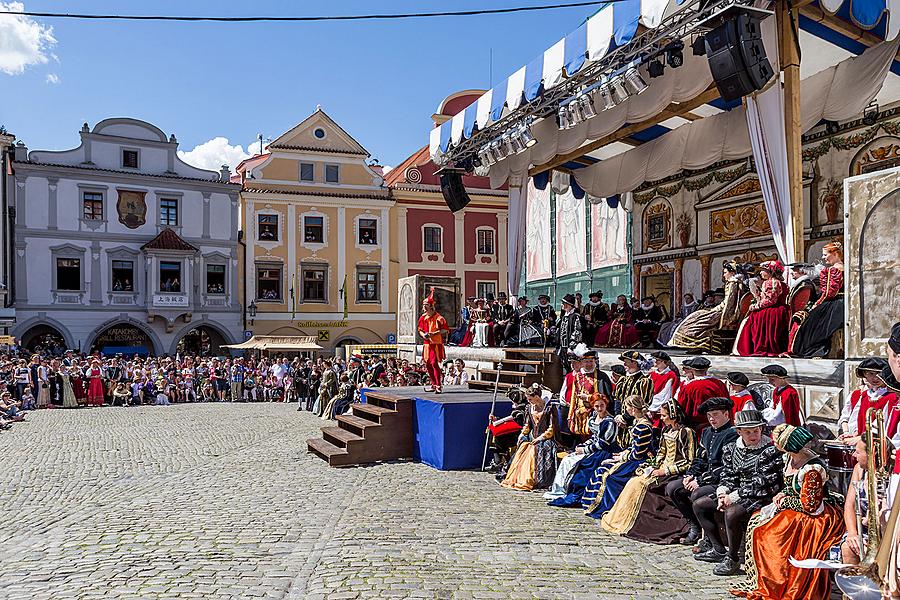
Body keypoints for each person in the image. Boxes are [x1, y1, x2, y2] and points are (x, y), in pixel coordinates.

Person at [732, 425, 844, 599]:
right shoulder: (790, 459)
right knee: (758, 521)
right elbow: (792, 487)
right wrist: (784, 493)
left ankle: (780, 582)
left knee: (770, 535)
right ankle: (767, 579)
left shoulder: (812, 469)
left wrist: (785, 501)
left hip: (814, 517)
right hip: (796, 509)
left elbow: (811, 505)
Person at [694, 408, 783, 576]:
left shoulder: (769, 450)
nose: (753, 435)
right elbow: (728, 474)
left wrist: (733, 497)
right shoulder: (731, 448)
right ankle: (718, 549)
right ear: (739, 431)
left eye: (756, 430)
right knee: (700, 505)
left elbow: (763, 482)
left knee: (732, 513)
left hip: (761, 495)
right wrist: (722, 494)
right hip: (736, 493)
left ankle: (733, 558)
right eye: (747, 432)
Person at [601, 398, 697, 544]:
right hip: (661, 469)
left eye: (664, 416)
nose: (662, 419)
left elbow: (689, 460)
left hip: (675, 473)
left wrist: (664, 471)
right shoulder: (667, 430)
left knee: (641, 485)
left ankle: (642, 525)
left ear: (673, 415)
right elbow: (661, 453)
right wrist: (653, 466)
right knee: (634, 481)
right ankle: (624, 519)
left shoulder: (686, 432)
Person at [667, 396, 739, 547]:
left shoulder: (732, 434)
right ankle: (694, 525)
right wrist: (690, 475)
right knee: (673, 488)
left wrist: (699, 481)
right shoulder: (707, 432)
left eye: (716, 415)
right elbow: (700, 458)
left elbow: (726, 467)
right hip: (704, 476)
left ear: (726, 415)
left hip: (721, 480)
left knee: (697, 494)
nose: (712, 419)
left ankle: (709, 538)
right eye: (709, 416)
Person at [583, 394, 654, 518]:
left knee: (608, 475)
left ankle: (611, 507)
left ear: (633, 409)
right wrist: (622, 454)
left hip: (639, 461)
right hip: (632, 457)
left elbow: (637, 454)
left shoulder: (643, 426)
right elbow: (633, 448)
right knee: (601, 468)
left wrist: (620, 458)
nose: (625, 410)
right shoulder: (637, 422)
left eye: (627, 407)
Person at [545, 392, 619, 506]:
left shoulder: (609, 422)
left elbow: (602, 444)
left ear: (606, 405)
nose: (600, 409)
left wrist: (584, 450)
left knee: (581, 467)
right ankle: (559, 490)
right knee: (567, 459)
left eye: (602, 406)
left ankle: (574, 493)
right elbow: (594, 438)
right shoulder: (594, 417)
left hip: (604, 452)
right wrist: (583, 446)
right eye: (597, 406)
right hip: (594, 449)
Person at [671, 262, 747, 352]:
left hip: (725, 313)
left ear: (732, 273)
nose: (724, 275)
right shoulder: (736, 283)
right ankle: (697, 344)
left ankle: (697, 344)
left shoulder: (732, 283)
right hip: (724, 311)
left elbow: (729, 304)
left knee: (697, 318)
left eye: (725, 272)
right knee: (697, 315)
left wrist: (715, 311)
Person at [789, 242, 845, 358]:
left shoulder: (833, 270)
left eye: (825, 255)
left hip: (835, 304)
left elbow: (830, 292)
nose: (823, 258)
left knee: (811, 323)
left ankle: (816, 351)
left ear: (835, 254)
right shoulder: (845, 267)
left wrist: (817, 304)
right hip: (843, 302)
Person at [500, 384, 557, 491]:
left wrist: (540, 438)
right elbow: (527, 425)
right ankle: (517, 477)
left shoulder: (549, 409)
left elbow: (551, 428)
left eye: (530, 399)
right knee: (523, 447)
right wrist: (522, 434)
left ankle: (532, 480)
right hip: (532, 437)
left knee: (534, 450)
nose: (529, 401)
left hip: (545, 439)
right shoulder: (529, 408)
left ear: (537, 397)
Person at [733, 260, 790, 357]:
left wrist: (755, 306)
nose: (760, 273)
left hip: (772, 310)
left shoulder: (770, 282)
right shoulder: (781, 283)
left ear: (770, 272)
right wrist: (757, 295)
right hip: (781, 309)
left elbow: (770, 301)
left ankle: (760, 347)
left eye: (763, 270)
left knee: (752, 319)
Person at [838, 357, 889, 442]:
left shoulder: (891, 396)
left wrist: (858, 439)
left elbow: (884, 426)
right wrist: (852, 433)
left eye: (879, 374)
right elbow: (859, 421)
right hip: (862, 444)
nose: (875, 378)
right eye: (871, 374)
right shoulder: (865, 395)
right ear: (865, 374)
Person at [839, 438, 869, 566]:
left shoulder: (890, 474)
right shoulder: (859, 469)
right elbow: (849, 504)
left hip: (884, 530)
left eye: (858, 452)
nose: (853, 455)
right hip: (863, 528)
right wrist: (852, 533)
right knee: (848, 547)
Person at [678, 357, 729, 430]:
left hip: (698, 429)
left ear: (692, 370)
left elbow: (682, 408)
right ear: (707, 369)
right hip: (721, 424)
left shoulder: (688, 387)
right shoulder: (719, 383)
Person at [418, 288, 449, 394]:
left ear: (430, 306)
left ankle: (438, 385)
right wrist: (424, 336)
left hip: (436, 344)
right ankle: (433, 384)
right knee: (428, 365)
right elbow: (420, 330)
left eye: (425, 305)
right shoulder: (423, 318)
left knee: (434, 364)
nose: (423, 307)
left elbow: (445, 329)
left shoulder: (439, 318)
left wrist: (434, 333)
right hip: (427, 344)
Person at [784, 262, 819, 353]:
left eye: (795, 271)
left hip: (802, 315)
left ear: (803, 272)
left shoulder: (805, 285)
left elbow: (800, 304)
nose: (792, 273)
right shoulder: (801, 283)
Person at [612, 351, 653, 416]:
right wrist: (618, 415)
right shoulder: (623, 379)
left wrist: (625, 418)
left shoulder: (644, 381)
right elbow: (617, 400)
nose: (624, 365)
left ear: (634, 363)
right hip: (620, 419)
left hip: (635, 419)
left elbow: (642, 404)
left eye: (626, 362)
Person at [556, 294, 583, 374]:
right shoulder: (564, 316)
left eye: (563, 303)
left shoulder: (575, 316)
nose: (562, 305)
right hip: (563, 347)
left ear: (568, 305)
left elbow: (577, 332)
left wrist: (571, 347)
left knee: (574, 368)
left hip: (571, 349)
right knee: (566, 367)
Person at [649, 351, 680, 415]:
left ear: (664, 362)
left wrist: (659, 406)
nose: (655, 362)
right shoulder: (652, 374)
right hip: (651, 403)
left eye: (658, 360)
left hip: (661, 406)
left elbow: (667, 393)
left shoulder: (671, 375)